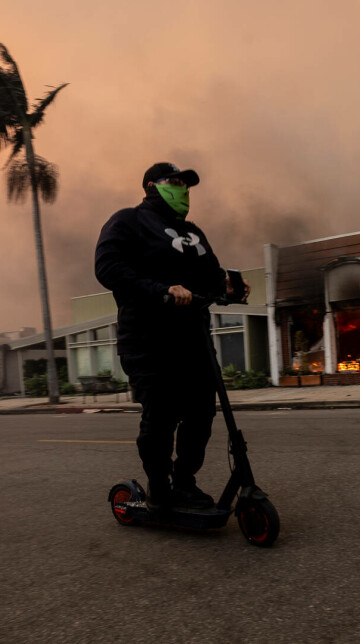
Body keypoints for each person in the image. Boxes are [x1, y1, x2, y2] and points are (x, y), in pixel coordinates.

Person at [94, 162, 248, 511]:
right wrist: (160, 289)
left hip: (193, 339)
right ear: (151, 185)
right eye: (175, 182)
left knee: (201, 413)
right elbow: (107, 267)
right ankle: (159, 488)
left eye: (186, 184)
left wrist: (228, 288)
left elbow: (212, 278)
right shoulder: (127, 221)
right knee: (161, 414)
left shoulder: (194, 233)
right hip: (148, 339)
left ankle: (184, 482)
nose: (182, 189)